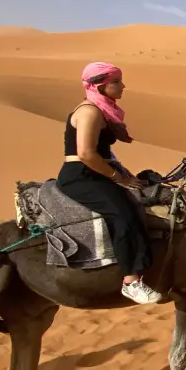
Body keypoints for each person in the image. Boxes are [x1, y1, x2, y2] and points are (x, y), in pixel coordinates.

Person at [57, 62, 161, 304]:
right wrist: (118, 178)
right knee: (122, 216)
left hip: (97, 171)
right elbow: (86, 154)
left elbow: (102, 153)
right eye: (116, 82)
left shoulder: (101, 109)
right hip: (81, 176)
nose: (122, 86)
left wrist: (124, 174)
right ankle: (130, 281)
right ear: (101, 86)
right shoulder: (89, 112)